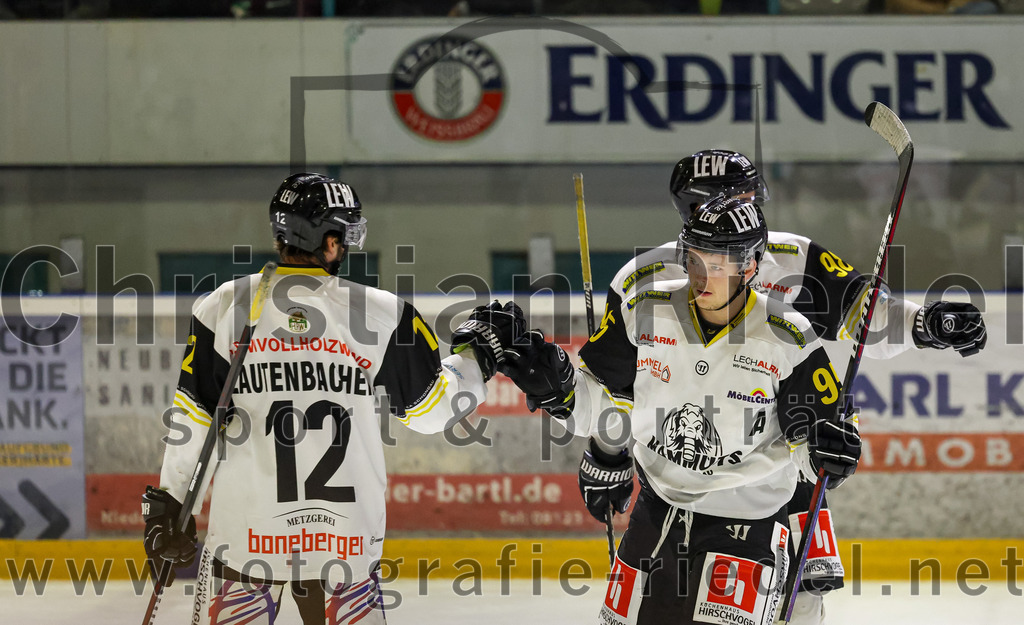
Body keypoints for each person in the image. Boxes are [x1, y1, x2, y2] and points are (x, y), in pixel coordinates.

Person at [570, 149, 987, 624]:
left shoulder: (793, 255)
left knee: (804, 596)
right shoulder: (644, 280)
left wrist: (925, 325)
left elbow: (864, 316)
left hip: (781, 465)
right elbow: (617, 388)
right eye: (740, 197)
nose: (753, 206)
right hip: (680, 476)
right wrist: (606, 455)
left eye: (753, 195)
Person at [141, 172, 523, 625]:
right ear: (326, 240)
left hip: (245, 538)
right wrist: (478, 357)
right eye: (341, 233)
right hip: (344, 543)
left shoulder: (224, 307)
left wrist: (170, 503)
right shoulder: (383, 313)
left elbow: (194, 418)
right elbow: (435, 410)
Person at [507, 195, 861, 624]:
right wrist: (558, 390)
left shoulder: (788, 335)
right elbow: (600, 409)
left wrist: (830, 453)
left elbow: (809, 448)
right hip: (656, 512)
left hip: (745, 523)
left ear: (750, 265)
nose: (701, 275)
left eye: (718, 263)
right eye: (693, 260)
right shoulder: (646, 309)